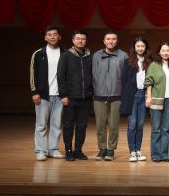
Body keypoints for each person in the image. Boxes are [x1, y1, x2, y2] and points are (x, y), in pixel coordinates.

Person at [91, 30, 128, 161]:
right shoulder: (96, 56)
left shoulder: (123, 56)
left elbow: (125, 76)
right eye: (108, 39)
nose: (111, 41)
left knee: (114, 125)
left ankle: (111, 149)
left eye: (113, 39)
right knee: (100, 125)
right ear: (104, 41)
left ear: (117, 41)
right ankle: (102, 148)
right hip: (99, 95)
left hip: (117, 95)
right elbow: (92, 74)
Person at [29, 25, 64, 161]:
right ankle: (41, 151)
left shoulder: (65, 53)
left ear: (59, 37)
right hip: (43, 96)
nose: (52, 37)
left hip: (59, 96)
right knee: (41, 125)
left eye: (55, 34)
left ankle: (53, 149)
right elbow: (32, 74)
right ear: (45, 38)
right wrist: (34, 91)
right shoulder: (38, 54)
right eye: (49, 35)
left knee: (56, 124)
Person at [57, 29, 93, 161]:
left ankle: (78, 150)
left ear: (86, 40)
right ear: (73, 40)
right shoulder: (66, 55)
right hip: (70, 97)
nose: (80, 41)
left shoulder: (90, 56)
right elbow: (61, 76)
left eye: (83, 39)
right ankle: (68, 151)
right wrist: (63, 95)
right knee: (68, 126)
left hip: (86, 98)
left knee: (82, 126)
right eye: (78, 38)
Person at [144, 41, 169, 163]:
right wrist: (149, 97)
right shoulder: (154, 65)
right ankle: (156, 155)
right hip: (156, 100)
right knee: (156, 129)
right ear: (159, 52)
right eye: (163, 50)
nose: (165, 53)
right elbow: (148, 82)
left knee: (165, 129)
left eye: (168, 50)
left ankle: (164, 154)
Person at [119, 37, 151, 162]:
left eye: (142, 46)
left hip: (144, 95)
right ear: (134, 47)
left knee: (140, 125)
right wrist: (124, 97)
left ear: (145, 47)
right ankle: (132, 151)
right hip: (132, 95)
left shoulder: (149, 62)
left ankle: (138, 150)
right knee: (132, 125)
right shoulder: (128, 61)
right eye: (138, 46)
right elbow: (123, 80)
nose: (140, 48)